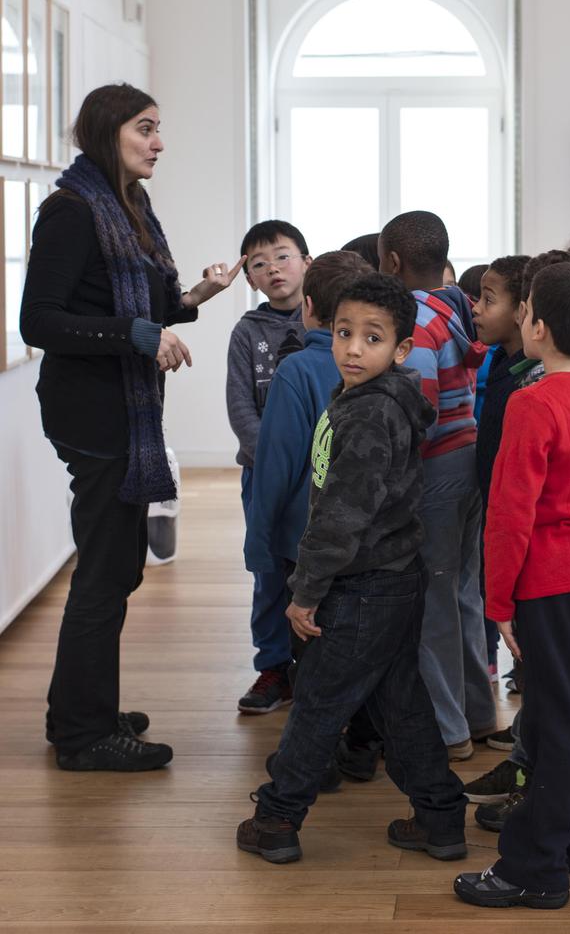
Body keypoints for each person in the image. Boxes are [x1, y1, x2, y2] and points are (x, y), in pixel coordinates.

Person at [20, 83, 240, 771]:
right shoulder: (71, 212)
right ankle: (82, 735)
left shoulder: (128, 205)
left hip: (121, 409)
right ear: (109, 131)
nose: (159, 142)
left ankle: (83, 709)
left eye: (158, 127)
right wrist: (140, 334)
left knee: (113, 570)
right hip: (92, 415)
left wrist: (193, 298)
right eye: (146, 128)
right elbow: (40, 321)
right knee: (106, 572)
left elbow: (146, 302)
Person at [236, 273, 467, 864]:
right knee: (401, 706)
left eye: (372, 337)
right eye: (344, 333)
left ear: (401, 350)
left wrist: (305, 591)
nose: (353, 348)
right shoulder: (367, 400)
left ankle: (277, 821)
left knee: (318, 704)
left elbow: (340, 516)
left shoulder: (367, 414)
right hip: (391, 581)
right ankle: (440, 818)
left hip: (361, 588)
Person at [454, 262, 570, 909]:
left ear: (537, 326)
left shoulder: (531, 403)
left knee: (556, 721)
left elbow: (511, 513)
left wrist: (499, 601)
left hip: (549, 582)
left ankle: (535, 863)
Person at [378, 212, 497, 758]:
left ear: (393, 262)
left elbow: (417, 407)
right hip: (469, 459)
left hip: (437, 470)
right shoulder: (455, 308)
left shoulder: (416, 320)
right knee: (464, 595)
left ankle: (448, 732)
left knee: (433, 604)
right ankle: (478, 716)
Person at [242, 249, 370, 712]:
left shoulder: (296, 370)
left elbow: (275, 468)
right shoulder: (383, 365)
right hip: (368, 542)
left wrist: (257, 542)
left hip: (303, 543)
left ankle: (315, 755)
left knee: (312, 651)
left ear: (308, 306)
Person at [228, 220, 310, 713]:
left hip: (319, 478)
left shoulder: (327, 325)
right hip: (264, 477)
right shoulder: (247, 332)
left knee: (314, 569)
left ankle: (314, 664)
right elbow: (242, 409)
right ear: (250, 279)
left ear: (307, 260)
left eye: (282, 256)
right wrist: (278, 465)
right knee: (269, 571)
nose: (273, 268)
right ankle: (273, 667)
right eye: (259, 264)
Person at [470, 254, 531, 685]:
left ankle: (534, 740)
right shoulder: (502, 362)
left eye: (488, 300)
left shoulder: (528, 380)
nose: (475, 308)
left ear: (522, 312)